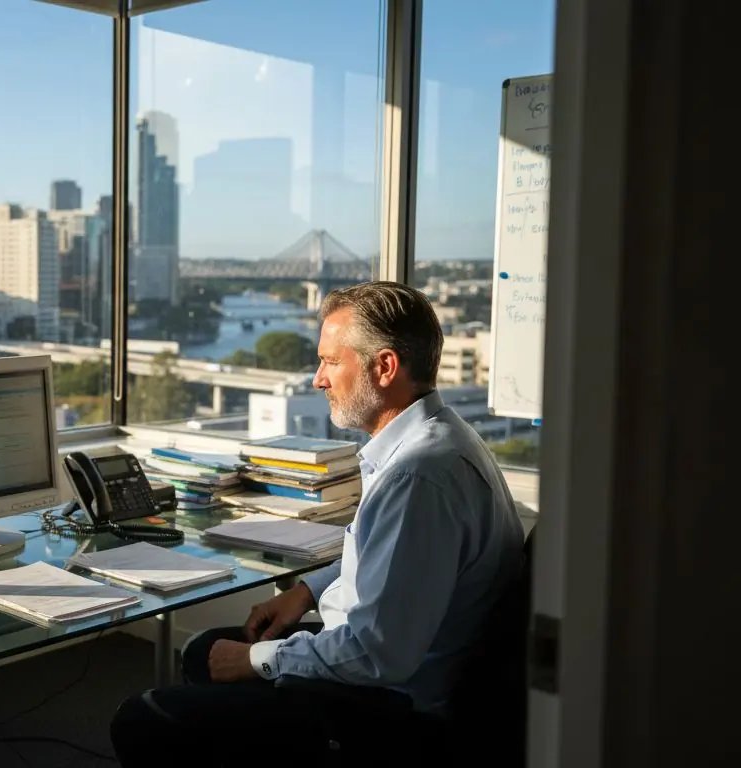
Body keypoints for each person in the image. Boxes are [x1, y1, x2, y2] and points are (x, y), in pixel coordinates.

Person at [108, 282, 524, 766]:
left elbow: (375, 654)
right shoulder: (442, 439)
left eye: (330, 361)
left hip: (388, 709)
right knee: (202, 650)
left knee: (140, 718)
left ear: (384, 367)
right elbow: (386, 563)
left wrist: (257, 662)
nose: (317, 379)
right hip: (400, 665)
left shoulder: (418, 476)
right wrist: (304, 592)